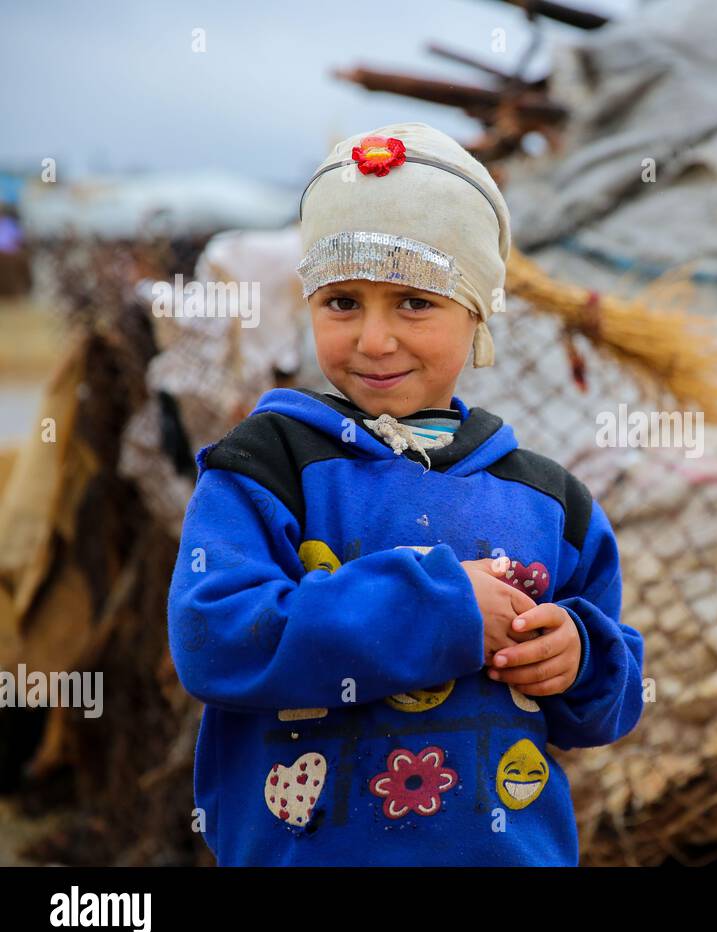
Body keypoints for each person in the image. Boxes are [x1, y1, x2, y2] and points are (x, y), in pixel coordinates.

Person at [167, 122, 645, 865]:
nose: (375, 339)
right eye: (342, 302)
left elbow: (606, 704)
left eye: (415, 303)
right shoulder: (267, 468)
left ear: (478, 313)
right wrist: (440, 609)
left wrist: (580, 657)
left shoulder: (551, 504)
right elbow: (217, 639)